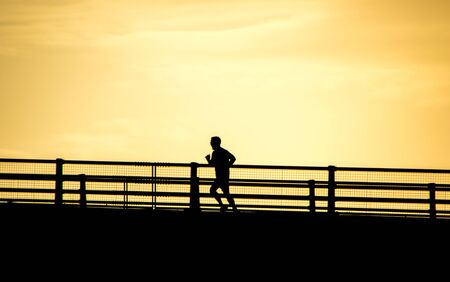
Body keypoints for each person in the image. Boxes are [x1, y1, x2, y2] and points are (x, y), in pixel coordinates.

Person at [205, 136, 238, 213]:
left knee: (213, 190)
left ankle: (224, 206)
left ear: (215, 143)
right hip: (224, 175)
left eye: (212, 143)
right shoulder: (223, 151)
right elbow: (233, 158)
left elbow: (212, 163)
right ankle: (233, 208)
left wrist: (207, 159)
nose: (211, 144)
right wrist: (227, 166)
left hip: (220, 176)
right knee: (226, 193)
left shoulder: (216, 153)